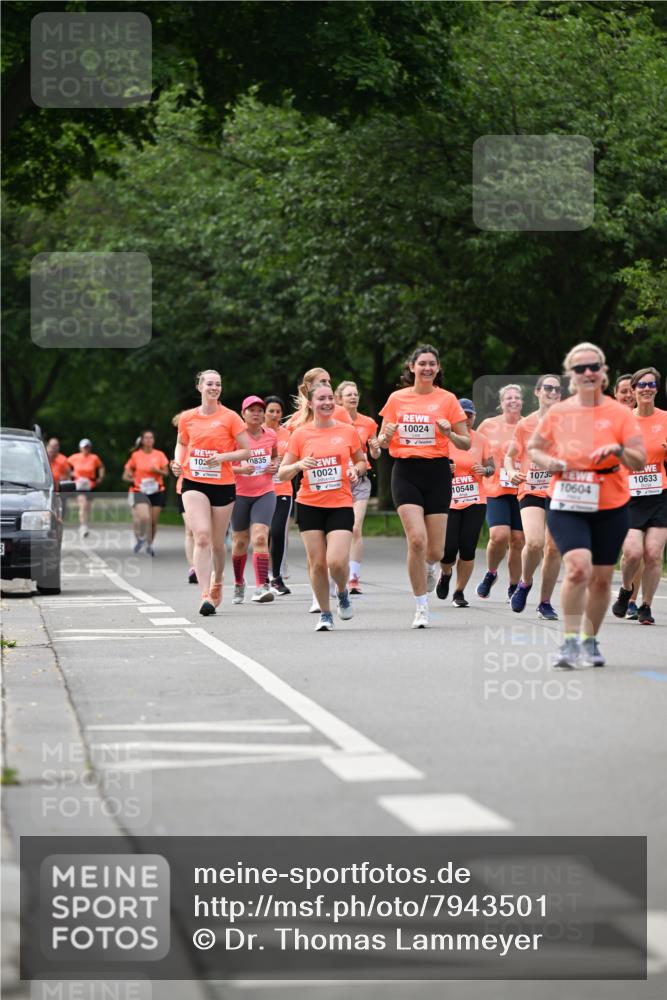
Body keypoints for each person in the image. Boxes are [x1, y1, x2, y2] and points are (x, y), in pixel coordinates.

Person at [528, 342, 645, 669]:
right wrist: (549, 462)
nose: (588, 372)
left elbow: (639, 459)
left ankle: (590, 640)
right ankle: (569, 642)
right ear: (572, 375)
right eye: (580, 368)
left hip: (611, 502)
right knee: (579, 567)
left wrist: (618, 450)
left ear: (603, 372)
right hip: (567, 499)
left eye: (594, 366)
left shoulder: (620, 413)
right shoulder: (559, 412)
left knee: (602, 579)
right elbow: (534, 448)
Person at [378, 345, 469, 628]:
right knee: (417, 539)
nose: (427, 368)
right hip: (406, 472)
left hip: (437, 473)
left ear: (438, 368)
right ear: (412, 367)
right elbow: (381, 443)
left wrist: (449, 433)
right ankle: (421, 606)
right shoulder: (397, 399)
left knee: (436, 551)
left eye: (432, 364)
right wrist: (385, 436)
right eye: (422, 363)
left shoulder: (448, 399)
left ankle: (430, 567)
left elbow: (466, 443)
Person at [278, 384, 366, 631]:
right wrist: (299, 465)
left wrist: (355, 470)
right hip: (310, 504)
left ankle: (342, 592)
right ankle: (325, 613)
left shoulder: (347, 431)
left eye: (330, 398)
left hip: (340, 503)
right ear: (310, 403)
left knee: (336, 562)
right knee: (317, 564)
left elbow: (361, 461)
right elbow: (283, 472)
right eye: (321, 399)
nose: (327, 403)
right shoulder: (300, 434)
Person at [171, 370, 252, 617]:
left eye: (218, 384)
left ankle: (218, 580)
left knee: (218, 543)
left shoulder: (230, 417)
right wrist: (177, 462)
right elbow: (182, 443)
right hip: (193, 481)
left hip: (222, 484)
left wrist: (223, 458)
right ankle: (205, 594)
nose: (214, 387)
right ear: (200, 387)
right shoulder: (187, 418)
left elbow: (246, 451)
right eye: (209, 384)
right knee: (202, 537)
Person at [612, 367, 667, 625]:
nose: (647, 389)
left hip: (659, 495)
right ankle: (626, 590)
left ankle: (646, 605)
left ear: (657, 389)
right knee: (632, 553)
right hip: (629, 496)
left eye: (651, 384)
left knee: (654, 553)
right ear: (633, 390)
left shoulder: (665, 419)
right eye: (642, 385)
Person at [505, 375, 563, 619]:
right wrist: (511, 472)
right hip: (531, 488)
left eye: (557, 389)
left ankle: (545, 602)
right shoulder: (525, 424)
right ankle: (525, 582)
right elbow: (509, 456)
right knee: (535, 543)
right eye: (548, 388)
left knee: (554, 549)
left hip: (560, 490)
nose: (553, 392)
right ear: (538, 392)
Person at [436, 398, 494, 608]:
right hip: (449, 500)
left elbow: (491, 467)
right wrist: (443, 469)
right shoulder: (443, 437)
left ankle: (459, 592)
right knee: (448, 550)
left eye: (470, 415)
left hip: (475, 499)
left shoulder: (481, 439)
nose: (467, 419)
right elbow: (430, 466)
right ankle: (445, 574)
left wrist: (485, 470)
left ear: (474, 417)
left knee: (468, 548)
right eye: (463, 416)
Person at [475, 385, 525, 601]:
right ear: (501, 403)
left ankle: (514, 586)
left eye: (517, 397)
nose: (513, 400)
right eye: (508, 398)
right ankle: (491, 572)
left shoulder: (529, 425)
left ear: (522, 402)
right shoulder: (489, 425)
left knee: (518, 539)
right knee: (499, 536)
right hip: (495, 487)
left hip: (522, 489)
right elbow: (475, 449)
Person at [230, 396, 279, 605]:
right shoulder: (235, 436)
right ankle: (239, 582)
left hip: (265, 492)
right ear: (243, 414)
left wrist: (274, 465)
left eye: (260, 410)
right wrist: (241, 469)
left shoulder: (271, 435)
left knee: (260, 537)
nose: (257, 413)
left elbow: (275, 456)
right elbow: (222, 464)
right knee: (240, 541)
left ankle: (261, 586)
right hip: (239, 494)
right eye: (252, 410)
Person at [334, 380, 381, 594]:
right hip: (336, 482)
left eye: (355, 394)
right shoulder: (332, 421)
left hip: (360, 479)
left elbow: (375, 454)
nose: (353, 397)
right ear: (339, 399)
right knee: (337, 530)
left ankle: (353, 577)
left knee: (355, 528)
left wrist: (376, 449)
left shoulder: (368, 423)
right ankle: (337, 570)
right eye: (349, 395)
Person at [613, 372, 642, 617]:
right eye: (624, 391)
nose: (629, 395)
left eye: (632, 390)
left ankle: (631, 599)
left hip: (643, 493)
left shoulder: (648, 419)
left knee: (636, 550)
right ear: (615, 394)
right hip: (613, 493)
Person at [122, 430, 170, 556]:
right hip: (140, 491)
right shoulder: (136, 455)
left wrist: (157, 471)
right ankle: (141, 537)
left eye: (151, 438)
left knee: (153, 522)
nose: (149, 440)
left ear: (154, 440)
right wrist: (132, 478)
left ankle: (149, 544)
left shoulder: (159, 455)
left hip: (157, 491)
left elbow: (166, 473)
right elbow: (126, 475)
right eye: (146, 438)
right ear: (142, 440)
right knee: (144, 518)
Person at [264, 395, 292, 595]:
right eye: (271, 411)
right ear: (264, 413)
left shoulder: (288, 435)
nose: (275, 415)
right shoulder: (256, 434)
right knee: (263, 534)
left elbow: (295, 459)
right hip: (261, 490)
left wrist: (285, 463)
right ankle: (263, 576)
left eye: (278, 411)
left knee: (278, 532)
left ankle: (277, 577)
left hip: (282, 489)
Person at [172, 411, 197, 584]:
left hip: (204, 488)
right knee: (190, 529)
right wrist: (175, 465)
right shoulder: (180, 444)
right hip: (183, 488)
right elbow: (176, 462)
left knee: (202, 531)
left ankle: (204, 564)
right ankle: (193, 568)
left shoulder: (202, 440)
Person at [285, 367, 353, 430]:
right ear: (309, 385)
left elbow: (350, 436)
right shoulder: (297, 418)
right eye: (323, 381)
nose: (328, 384)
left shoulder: (340, 412)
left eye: (329, 381)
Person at [67, 438, 105, 538]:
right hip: (79, 484)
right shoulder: (75, 457)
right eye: (84, 447)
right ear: (80, 448)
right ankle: (83, 526)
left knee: (87, 507)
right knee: (82, 505)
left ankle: (84, 524)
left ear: (90, 448)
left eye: (87, 447)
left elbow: (101, 467)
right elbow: (65, 465)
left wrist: (100, 478)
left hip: (90, 485)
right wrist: (70, 474)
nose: (86, 449)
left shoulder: (94, 458)